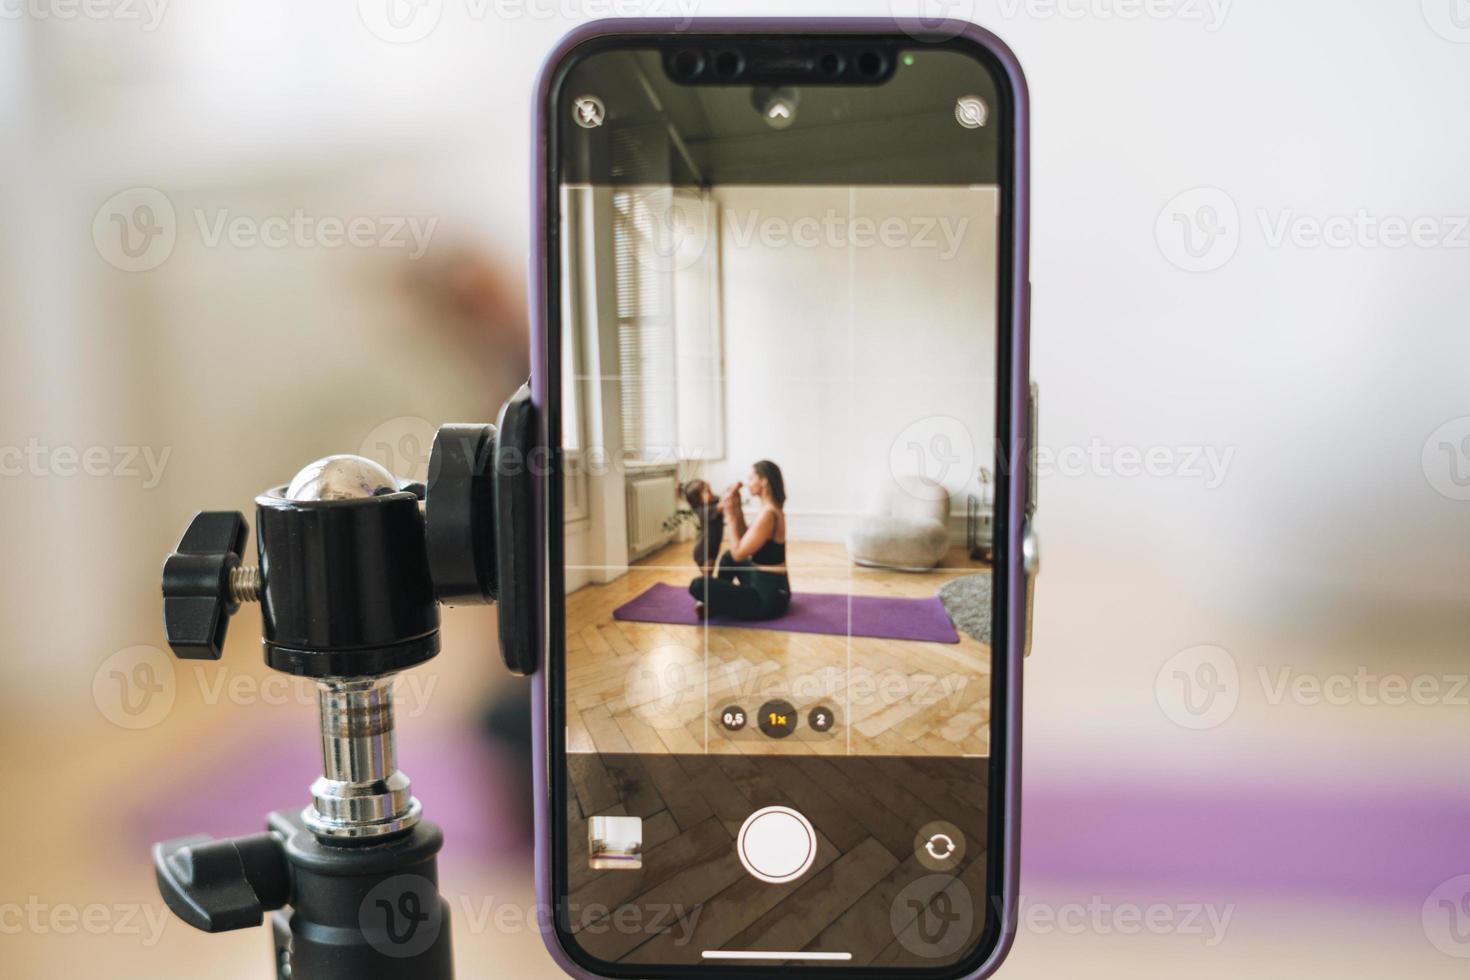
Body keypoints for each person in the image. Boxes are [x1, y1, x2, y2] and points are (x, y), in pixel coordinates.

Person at [688, 460, 791, 621]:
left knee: (698, 585)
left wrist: (729, 516)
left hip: (766, 600)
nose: (747, 482)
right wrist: (737, 509)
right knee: (727, 557)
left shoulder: (768, 514)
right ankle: (716, 602)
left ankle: (715, 602)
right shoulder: (770, 509)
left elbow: (739, 554)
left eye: (751, 478)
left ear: (763, 481)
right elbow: (743, 541)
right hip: (773, 588)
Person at [680, 479, 724, 575]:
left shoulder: (713, 501)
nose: (708, 490)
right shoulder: (702, 511)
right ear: (697, 500)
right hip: (703, 551)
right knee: (707, 576)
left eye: (707, 488)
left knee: (709, 575)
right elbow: (722, 505)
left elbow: (720, 499)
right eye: (704, 491)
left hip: (713, 547)